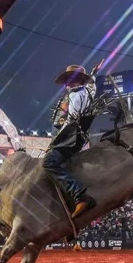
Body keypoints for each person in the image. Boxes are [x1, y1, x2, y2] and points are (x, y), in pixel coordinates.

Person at [43, 61, 103, 219]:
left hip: (67, 139)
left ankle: (79, 196)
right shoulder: (86, 91)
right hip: (74, 139)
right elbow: (93, 87)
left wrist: (55, 143)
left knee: (48, 163)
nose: (67, 83)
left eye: (69, 79)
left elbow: (72, 120)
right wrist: (94, 73)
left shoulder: (76, 95)